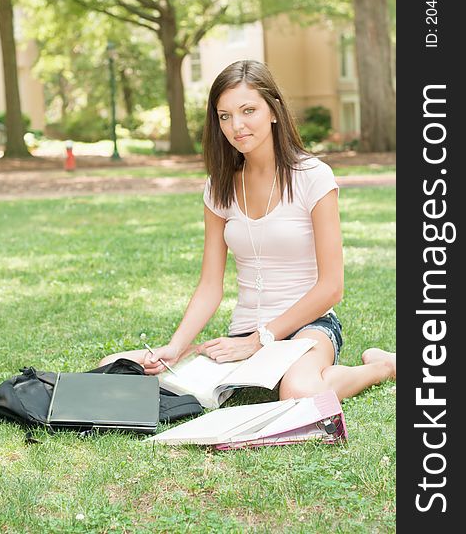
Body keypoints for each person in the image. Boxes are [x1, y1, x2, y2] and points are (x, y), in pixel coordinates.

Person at [99, 59, 396, 401]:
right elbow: (211, 285)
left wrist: (262, 339)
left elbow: (331, 287)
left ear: (273, 111)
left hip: (309, 328)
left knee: (297, 391)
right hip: (244, 333)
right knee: (116, 365)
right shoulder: (219, 186)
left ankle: (380, 367)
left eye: (248, 110)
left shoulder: (313, 177)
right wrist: (176, 345)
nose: (236, 125)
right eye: (224, 116)